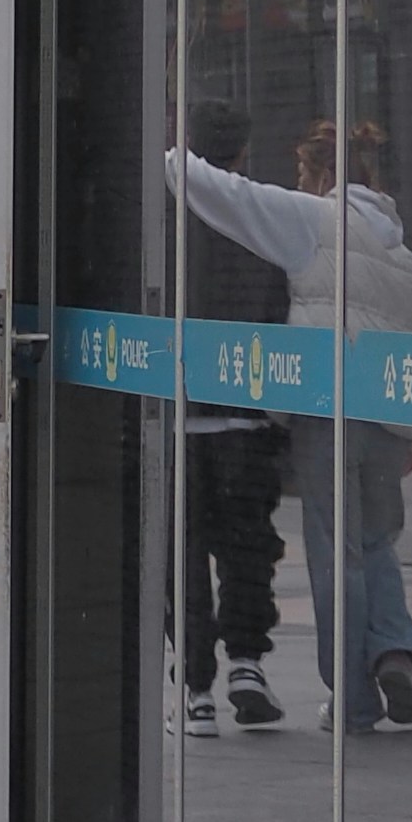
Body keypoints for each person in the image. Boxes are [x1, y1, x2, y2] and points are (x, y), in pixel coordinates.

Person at [166, 117, 412, 733]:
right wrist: (410, 436)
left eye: (300, 172)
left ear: (323, 175)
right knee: (376, 544)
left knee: (336, 556)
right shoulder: (405, 256)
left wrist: (167, 152)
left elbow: (231, 195)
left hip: (326, 414)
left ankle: (353, 700)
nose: (295, 183)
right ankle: (394, 649)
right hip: (387, 425)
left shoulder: (315, 220)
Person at [176, 97, 290, 736]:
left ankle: (195, 690)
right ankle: (247, 664)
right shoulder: (261, 216)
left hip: (179, 417)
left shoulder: (167, 215)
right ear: (243, 151)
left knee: (183, 554)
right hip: (247, 418)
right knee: (248, 546)